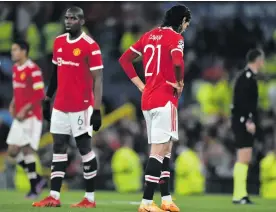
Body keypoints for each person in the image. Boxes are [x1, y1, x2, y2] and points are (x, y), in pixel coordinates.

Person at [119, 5, 191, 212]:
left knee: (165, 150)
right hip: (164, 99)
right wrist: (179, 82)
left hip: (148, 99)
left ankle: (166, 199)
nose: (186, 27)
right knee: (158, 152)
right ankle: (146, 203)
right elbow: (178, 61)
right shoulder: (176, 38)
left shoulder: (149, 35)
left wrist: (141, 85)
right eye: (187, 23)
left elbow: (124, 60)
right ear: (183, 20)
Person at [33, 6, 103, 208]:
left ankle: (89, 198)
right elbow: (56, 73)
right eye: (67, 18)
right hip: (60, 106)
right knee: (58, 148)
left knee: (84, 149)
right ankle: (54, 196)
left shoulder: (91, 45)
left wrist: (96, 110)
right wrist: (47, 98)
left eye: (73, 18)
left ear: (81, 21)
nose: (68, 21)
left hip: (81, 106)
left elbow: (98, 79)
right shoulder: (59, 42)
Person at [7, 40, 47, 199]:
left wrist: (24, 109)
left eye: (15, 50)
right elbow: (18, 92)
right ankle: (38, 179)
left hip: (32, 116)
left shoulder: (33, 69)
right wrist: (13, 105)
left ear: (24, 51)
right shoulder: (16, 68)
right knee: (11, 151)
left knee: (26, 149)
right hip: (19, 117)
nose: (12, 53)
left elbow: (39, 94)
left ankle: (33, 188)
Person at [231, 49, 265, 204]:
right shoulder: (247, 77)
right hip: (243, 122)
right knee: (243, 158)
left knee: (245, 158)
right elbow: (242, 102)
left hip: (241, 121)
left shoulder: (246, 77)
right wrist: (248, 121)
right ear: (257, 60)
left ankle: (240, 194)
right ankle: (239, 195)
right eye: (262, 59)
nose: (263, 62)